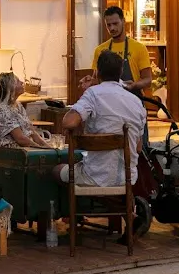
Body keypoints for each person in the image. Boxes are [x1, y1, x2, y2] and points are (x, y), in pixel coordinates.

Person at [57, 50, 147, 188]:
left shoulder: (93, 94)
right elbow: (139, 147)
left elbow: (69, 122)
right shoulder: (136, 102)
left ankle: (71, 208)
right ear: (121, 72)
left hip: (94, 176)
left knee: (56, 170)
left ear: (97, 72)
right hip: (127, 178)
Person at [79, 6, 152, 98]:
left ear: (123, 21)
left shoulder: (139, 48)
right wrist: (90, 81)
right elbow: (98, 80)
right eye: (108, 25)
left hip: (132, 101)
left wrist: (134, 85)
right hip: (108, 102)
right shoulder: (100, 50)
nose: (112, 28)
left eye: (115, 23)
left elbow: (148, 80)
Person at [0, 72, 49, 150]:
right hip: (12, 153)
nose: (22, 82)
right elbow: (20, 139)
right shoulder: (2, 109)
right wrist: (41, 149)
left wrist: (48, 148)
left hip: (24, 150)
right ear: (10, 88)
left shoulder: (18, 105)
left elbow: (32, 132)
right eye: (17, 81)